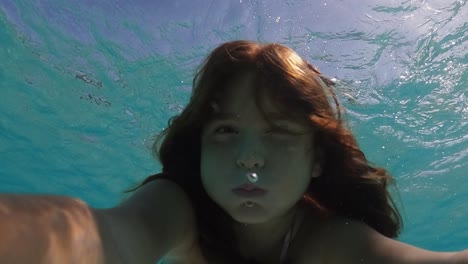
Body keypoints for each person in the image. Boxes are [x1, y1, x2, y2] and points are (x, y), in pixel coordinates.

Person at [0, 40, 467, 264]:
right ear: (199, 143)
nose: (249, 158)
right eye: (225, 130)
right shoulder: (177, 208)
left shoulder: (329, 239)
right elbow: (107, 237)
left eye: (279, 132)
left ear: (318, 159)